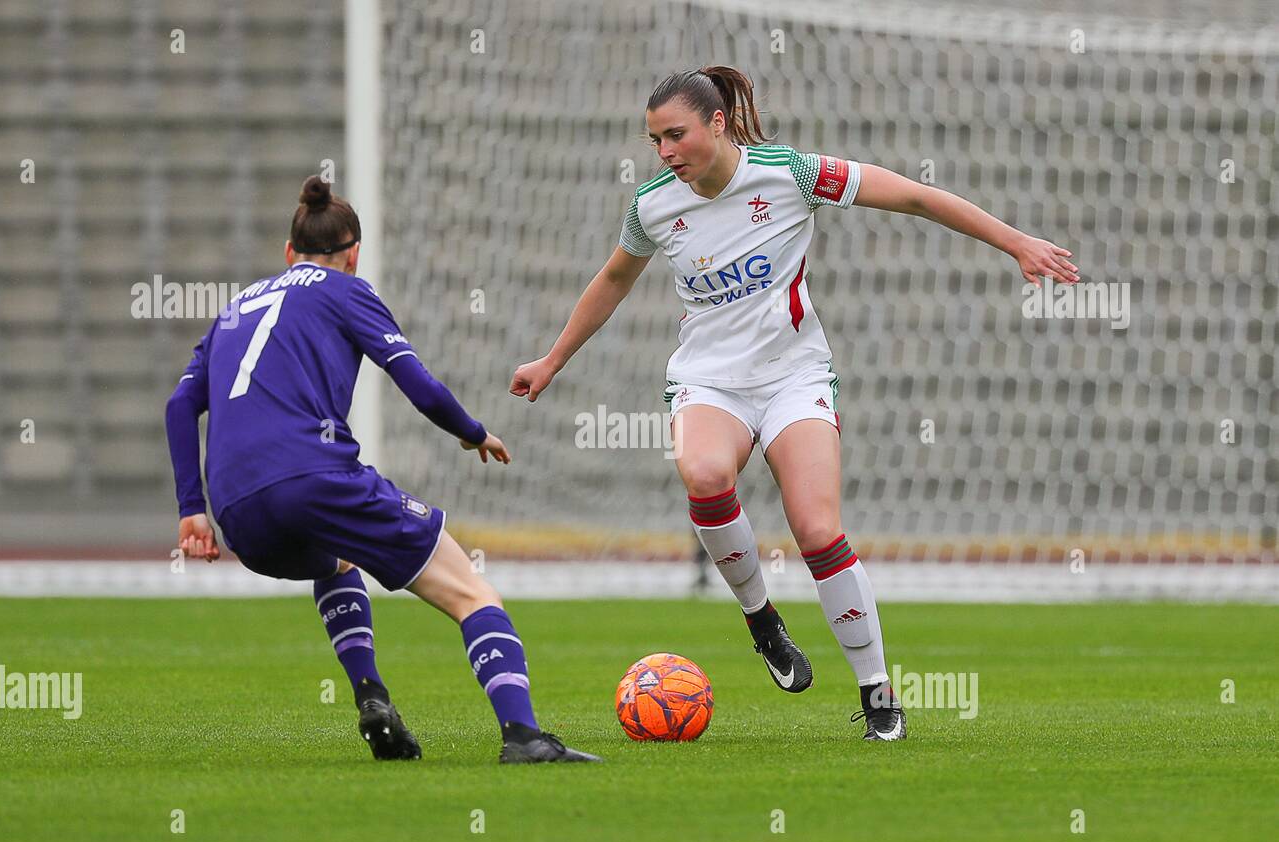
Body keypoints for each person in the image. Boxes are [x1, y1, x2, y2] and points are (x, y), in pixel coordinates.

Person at [510, 66, 1079, 741]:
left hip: (794, 375)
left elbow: (917, 198)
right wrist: (552, 359)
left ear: (717, 124)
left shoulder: (793, 173)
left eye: (675, 135)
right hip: (710, 379)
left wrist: (1015, 241)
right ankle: (764, 622)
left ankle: (878, 695)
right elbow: (612, 279)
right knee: (704, 473)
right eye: (654, 139)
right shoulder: (655, 204)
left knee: (816, 530)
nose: (663, 152)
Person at [165, 175, 600, 764]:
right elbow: (418, 386)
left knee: (339, 559)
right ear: (354, 255)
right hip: (314, 476)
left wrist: (193, 509)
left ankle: (371, 696)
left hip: (238, 511)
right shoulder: (347, 290)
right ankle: (523, 737)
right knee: (470, 591)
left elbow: (179, 404)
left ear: (288, 252)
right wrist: (475, 433)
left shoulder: (235, 309)